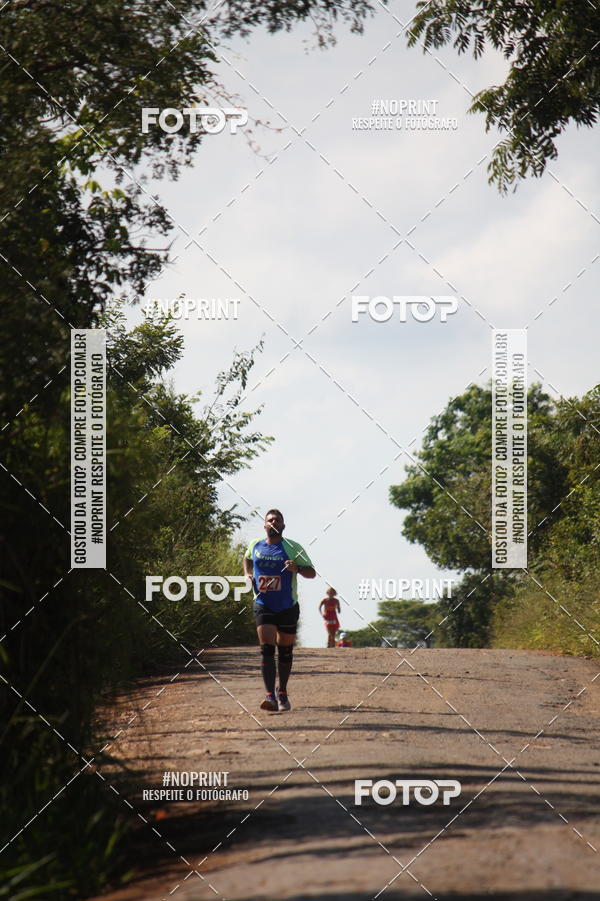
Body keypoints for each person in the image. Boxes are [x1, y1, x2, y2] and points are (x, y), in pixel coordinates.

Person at [243, 509, 315, 712]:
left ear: (283, 525)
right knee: (266, 648)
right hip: (263, 603)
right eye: (270, 520)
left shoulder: (293, 547)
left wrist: (297, 569)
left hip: (287, 606)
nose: (273, 522)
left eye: (278, 520)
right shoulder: (255, 545)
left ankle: (281, 692)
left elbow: (312, 573)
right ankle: (269, 697)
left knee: (284, 652)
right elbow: (247, 558)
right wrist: (248, 574)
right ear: (265, 525)